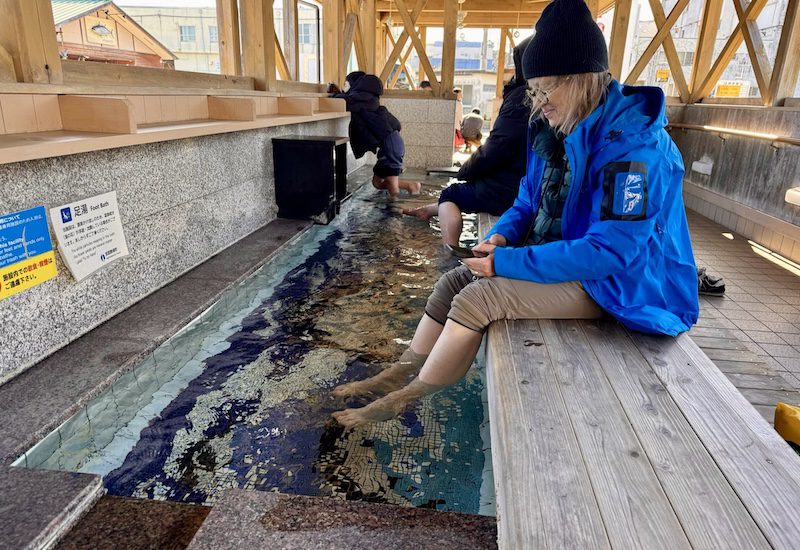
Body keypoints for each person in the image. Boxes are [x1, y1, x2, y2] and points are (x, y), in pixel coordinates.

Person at [332, 0, 699, 428]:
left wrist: (505, 263)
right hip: (576, 259)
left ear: (580, 80)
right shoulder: (557, 126)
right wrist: (501, 238)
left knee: (482, 297)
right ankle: (400, 370)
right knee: (455, 279)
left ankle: (404, 398)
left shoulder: (635, 150)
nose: (538, 102)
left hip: (625, 283)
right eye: (534, 90)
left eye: (545, 89)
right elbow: (527, 201)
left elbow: (611, 253)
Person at [402, 37, 531, 246]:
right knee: (461, 193)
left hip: (511, 189)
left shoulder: (521, 99)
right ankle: (426, 211)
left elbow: (497, 148)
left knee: (450, 193)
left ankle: (450, 251)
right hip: (521, 184)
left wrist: (466, 170)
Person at [331, 71, 421, 197]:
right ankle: (410, 186)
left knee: (392, 185)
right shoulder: (369, 99)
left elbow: (343, 101)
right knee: (377, 182)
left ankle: (395, 212)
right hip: (392, 144)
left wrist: (336, 94)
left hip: (391, 147)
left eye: (346, 85)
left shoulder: (361, 99)